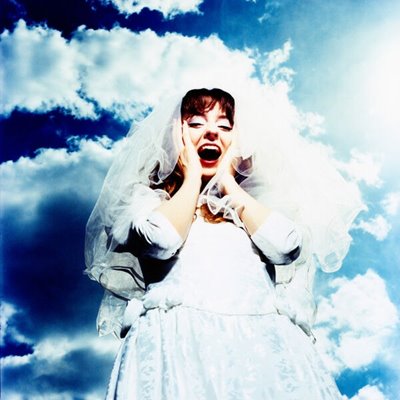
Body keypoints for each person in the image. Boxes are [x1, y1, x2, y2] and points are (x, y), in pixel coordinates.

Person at [85, 88, 363, 399]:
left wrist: (228, 181)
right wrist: (192, 176)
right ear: (173, 137)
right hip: (178, 345)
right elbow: (161, 240)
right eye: (195, 123)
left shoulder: (251, 207)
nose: (212, 132)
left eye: (225, 125)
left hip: (262, 349)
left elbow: (286, 247)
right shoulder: (146, 201)